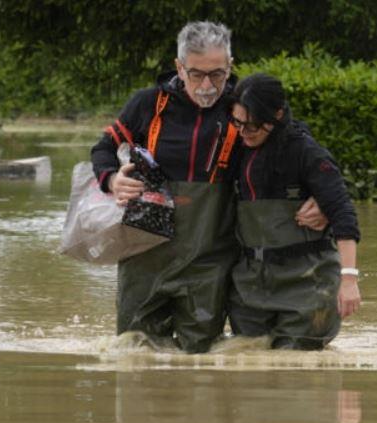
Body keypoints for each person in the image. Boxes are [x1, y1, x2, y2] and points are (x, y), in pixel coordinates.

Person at [90, 22, 325, 353]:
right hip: (143, 255)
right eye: (196, 74)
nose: (207, 85)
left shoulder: (245, 107)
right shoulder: (147, 105)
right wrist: (112, 179)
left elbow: (303, 151)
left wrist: (322, 198)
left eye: (217, 74)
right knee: (133, 352)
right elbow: (102, 149)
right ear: (179, 67)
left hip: (211, 259)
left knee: (198, 359)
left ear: (230, 66)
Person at [227, 73, 361, 350]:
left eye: (252, 126)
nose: (243, 133)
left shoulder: (306, 152)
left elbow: (344, 215)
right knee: (247, 363)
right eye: (238, 123)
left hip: (307, 286)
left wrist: (349, 281)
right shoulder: (235, 149)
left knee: (297, 372)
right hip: (250, 286)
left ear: (276, 115)